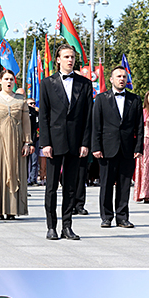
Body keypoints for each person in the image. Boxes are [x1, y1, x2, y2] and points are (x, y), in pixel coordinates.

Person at [39, 44, 93, 241]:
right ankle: (51, 226)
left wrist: (85, 143)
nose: (70, 60)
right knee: (51, 187)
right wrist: (45, 143)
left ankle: (67, 226)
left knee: (71, 187)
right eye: (66, 56)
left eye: (72, 57)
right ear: (58, 59)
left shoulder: (85, 84)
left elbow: (89, 117)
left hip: (76, 143)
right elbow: (43, 116)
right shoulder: (47, 83)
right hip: (54, 142)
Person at [92, 63, 144, 228]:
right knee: (106, 184)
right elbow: (96, 125)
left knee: (124, 185)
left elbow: (139, 126)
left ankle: (122, 217)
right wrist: (96, 146)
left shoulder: (134, 99)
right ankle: (106, 217)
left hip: (127, 149)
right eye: (118, 76)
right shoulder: (101, 99)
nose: (121, 79)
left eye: (124, 76)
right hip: (107, 148)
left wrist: (138, 148)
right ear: (111, 79)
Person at [0, 69, 32, 220]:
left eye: (11, 79)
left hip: (16, 143)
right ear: (0, 81)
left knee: (15, 171)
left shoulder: (21, 100)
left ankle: (12, 209)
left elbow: (26, 123)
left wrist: (27, 142)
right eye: (6, 79)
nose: (9, 82)